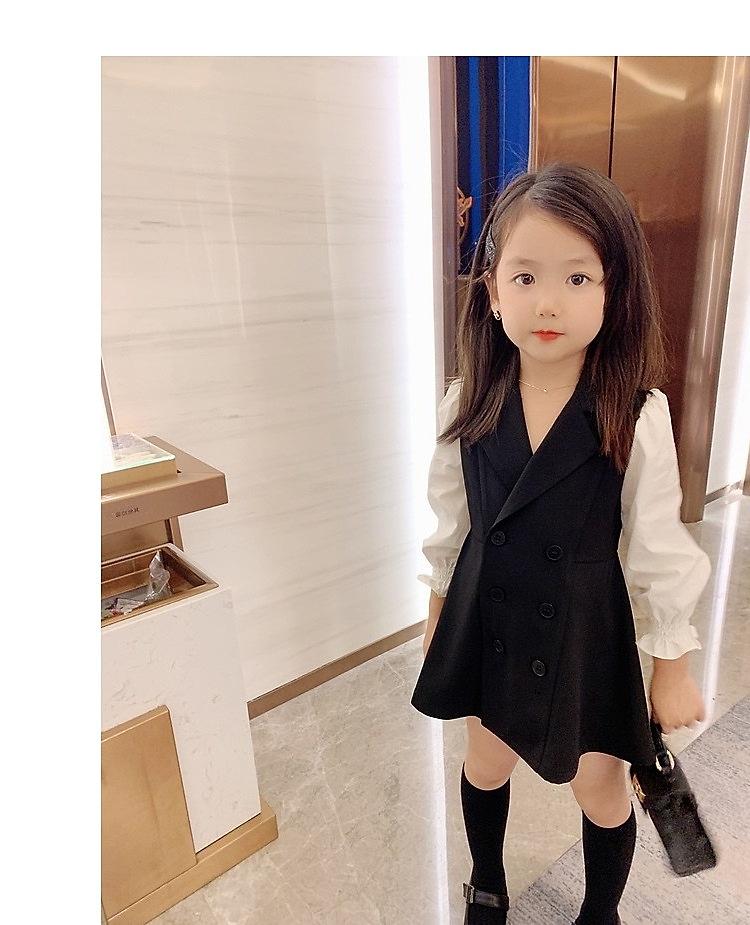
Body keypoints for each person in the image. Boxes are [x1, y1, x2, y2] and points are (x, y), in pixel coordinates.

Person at [411, 162, 712, 925]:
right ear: (492, 291)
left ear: (614, 291)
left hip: (584, 627)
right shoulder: (468, 399)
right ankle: (486, 881)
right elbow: (451, 523)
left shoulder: (633, 410)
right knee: (485, 760)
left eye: (578, 278)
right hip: (490, 614)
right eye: (526, 276)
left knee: (600, 787)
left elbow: (657, 548)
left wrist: (671, 663)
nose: (549, 301)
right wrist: (438, 613)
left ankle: (599, 913)